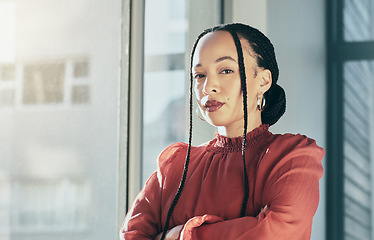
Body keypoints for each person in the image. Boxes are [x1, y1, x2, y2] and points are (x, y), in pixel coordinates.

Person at [120, 23, 324, 240]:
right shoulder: (174, 167)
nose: (208, 87)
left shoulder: (293, 157)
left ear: (263, 81)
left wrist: (182, 234)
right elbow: (131, 235)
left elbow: (276, 232)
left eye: (226, 70)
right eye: (199, 75)